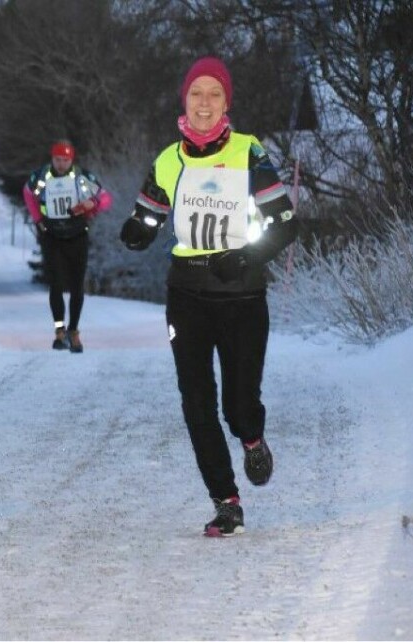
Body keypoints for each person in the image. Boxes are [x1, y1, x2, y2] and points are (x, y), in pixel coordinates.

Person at [120, 57, 296, 537]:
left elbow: (285, 224)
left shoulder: (249, 152)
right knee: (196, 401)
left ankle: (253, 438)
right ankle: (226, 501)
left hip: (241, 295)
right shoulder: (168, 158)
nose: (203, 103)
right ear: (185, 99)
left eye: (213, 94)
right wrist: (138, 229)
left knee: (238, 407)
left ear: (226, 102)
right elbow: (151, 212)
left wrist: (245, 257)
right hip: (188, 293)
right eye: (196, 93)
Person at [23, 140, 112, 353]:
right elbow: (28, 193)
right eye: (57, 160)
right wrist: (38, 220)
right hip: (52, 235)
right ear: (52, 158)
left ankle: (74, 331)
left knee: (76, 285)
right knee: (55, 284)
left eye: (65, 160)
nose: (61, 164)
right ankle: (59, 330)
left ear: (71, 159)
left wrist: (93, 204)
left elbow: (106, 197)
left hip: (77, 235)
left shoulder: (81, 177)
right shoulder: (42, 176)